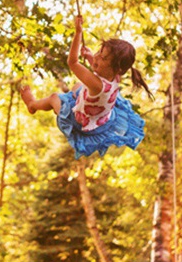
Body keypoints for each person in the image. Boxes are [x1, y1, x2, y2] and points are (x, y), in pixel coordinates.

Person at [20, 15, 152, 158]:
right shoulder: (116, 75)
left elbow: (73, 62)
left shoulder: (96, 85)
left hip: (81, 123)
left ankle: (33, 105)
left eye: (103, 58)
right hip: (102, 118)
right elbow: (100, 73)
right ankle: (69, 104)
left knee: (54, 98)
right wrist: (91, 58)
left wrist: (78, 33)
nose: (96, 57)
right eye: (99, 53)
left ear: (117, 68)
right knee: (78, 85)